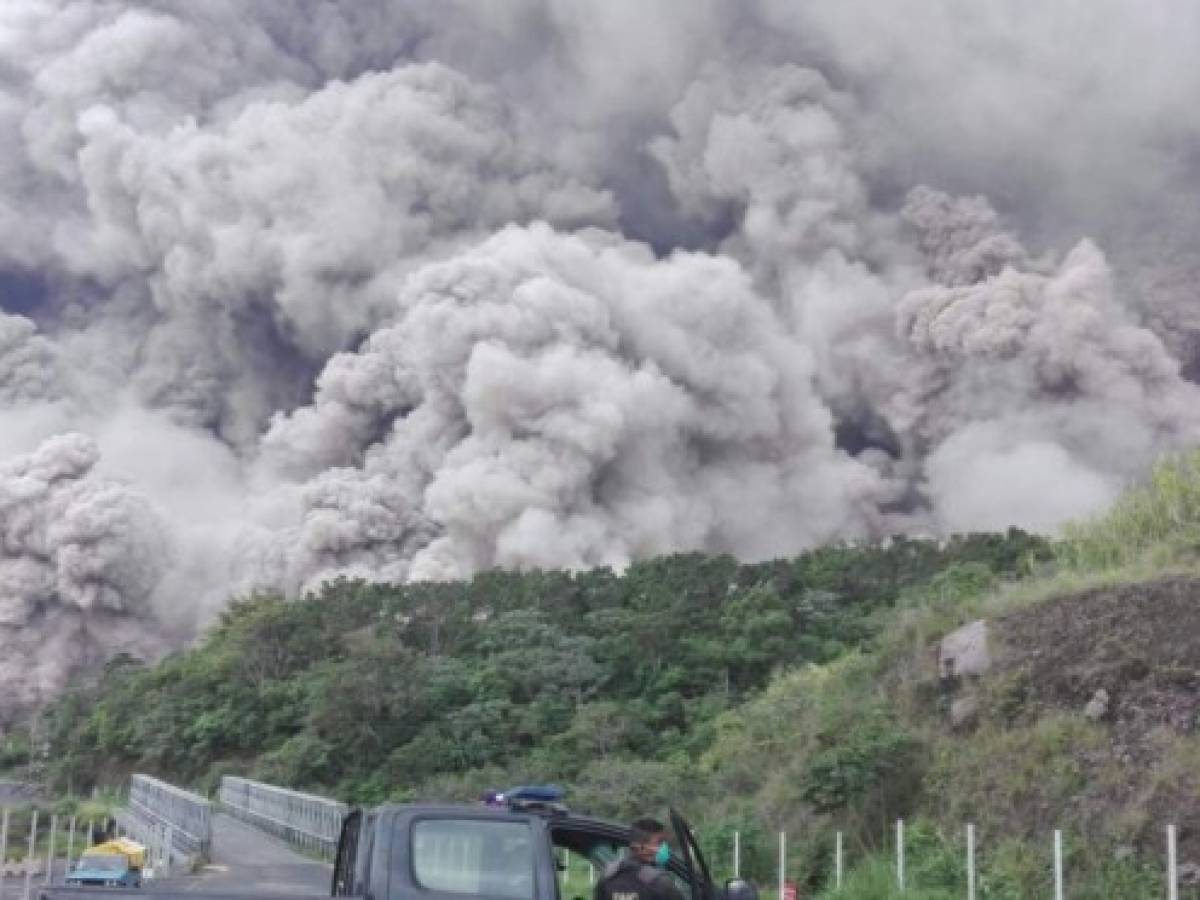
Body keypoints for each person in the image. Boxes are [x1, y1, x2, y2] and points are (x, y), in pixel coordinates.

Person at [593, 818, 685, 900]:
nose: (664, 847)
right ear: (640, 848)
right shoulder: (660, 883)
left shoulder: (607, 879)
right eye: (659, 843)